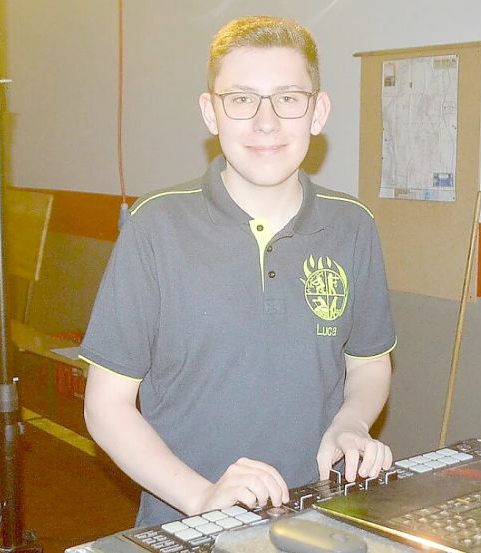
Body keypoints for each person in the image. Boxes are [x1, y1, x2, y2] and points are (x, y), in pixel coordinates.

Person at [80, 15, 397, 527]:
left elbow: (368, 364)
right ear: (211, 112)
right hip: (186, 523)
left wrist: (352, 422)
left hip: (317, 519)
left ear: (318, 112)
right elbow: (106, 406)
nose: (266, 123)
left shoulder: (352, 225)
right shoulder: (156, 225)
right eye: (242, 98)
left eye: (289, 99)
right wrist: (203, 497)